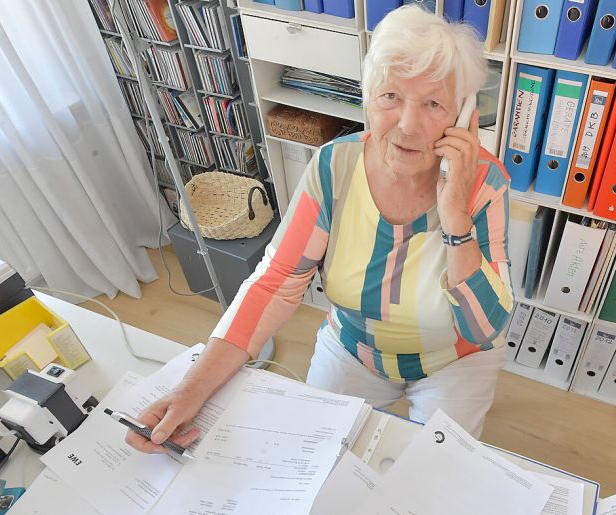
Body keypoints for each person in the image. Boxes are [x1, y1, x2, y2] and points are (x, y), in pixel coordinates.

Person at [127, 5, 512, 454]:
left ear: (462, 116)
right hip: (354, 351)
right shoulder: (334, 165)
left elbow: (484, 328)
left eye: (433, 104)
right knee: (310, 454)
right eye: (390, 96)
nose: (407, 125)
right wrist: (189, 390)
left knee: (433, 476)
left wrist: (456, 220)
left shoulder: (484, 181)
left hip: (453, 361)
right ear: (368, 97)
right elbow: (274, 283)